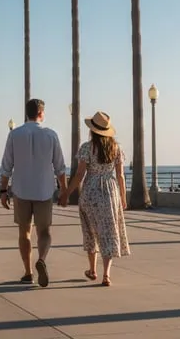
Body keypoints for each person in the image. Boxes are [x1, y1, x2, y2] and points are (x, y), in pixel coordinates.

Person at [0, 98, 67, 287]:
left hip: (21, 190)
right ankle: (42, 259)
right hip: (44, 190)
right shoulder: (51, 135)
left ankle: (28, 272)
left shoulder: (15, 135)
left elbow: (6, 166)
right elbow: (60, 167)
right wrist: (64, 191)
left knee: (24, 232)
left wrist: (3, 190)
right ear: (41, 113)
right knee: (44, 232)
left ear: (26, 113)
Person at [61, 111, 130, 287]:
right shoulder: (117, 148)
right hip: (110, 192)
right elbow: (120, 175)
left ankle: (92, 269)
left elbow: (79, 174)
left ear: (92, 130)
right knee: (108, 231)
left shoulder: (86, 148)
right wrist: (123, 196)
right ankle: (106, 275)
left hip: (90, 191)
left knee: (90, 231)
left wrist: (67, 193)